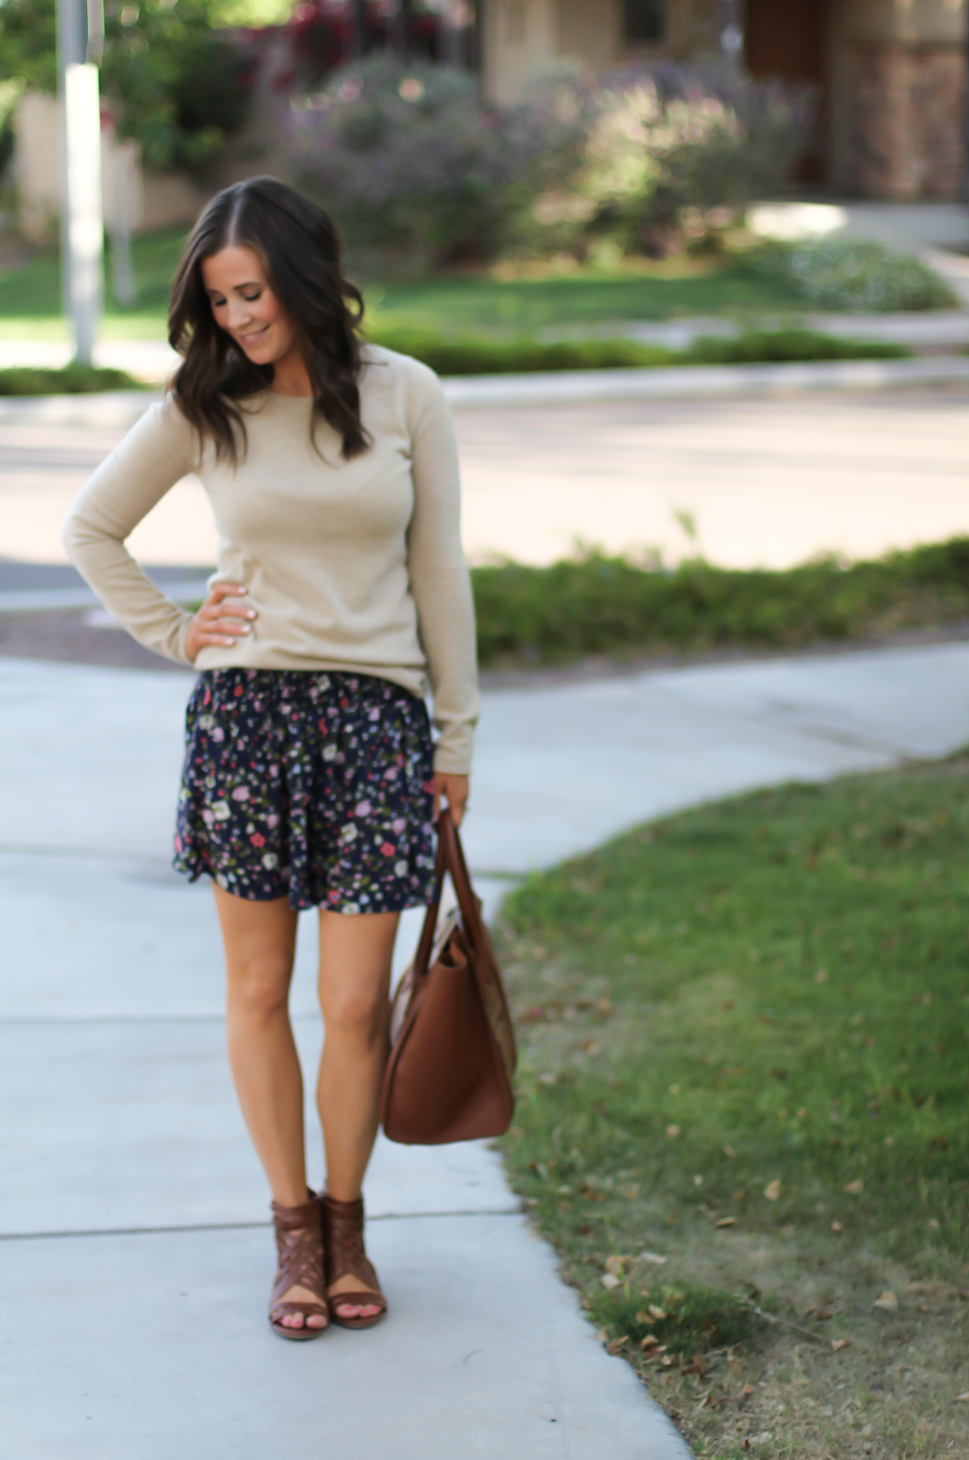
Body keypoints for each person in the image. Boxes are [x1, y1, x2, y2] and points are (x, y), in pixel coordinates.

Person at [62, 176, 479, 1340]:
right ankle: (293, 1231)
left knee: (352, 1005)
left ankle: (348, 1222)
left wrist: (456, 736)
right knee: (256, 991)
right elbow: (89, 527)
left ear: (301, 275)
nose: (237, 317)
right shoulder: (208, 404)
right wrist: (177, 632)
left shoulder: (406, 394)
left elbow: (437, 569)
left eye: (250, 293)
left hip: (379, 727)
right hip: (249, 723)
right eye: (218, 300)